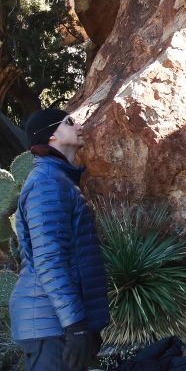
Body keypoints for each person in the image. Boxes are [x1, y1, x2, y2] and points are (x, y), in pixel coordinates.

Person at [9, 109, 109, 371]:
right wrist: (74, 326)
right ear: (51, 136)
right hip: (50, 325)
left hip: (59, 322)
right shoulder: (46, 183)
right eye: (69, 122)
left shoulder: (60, 178)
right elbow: (50, 259)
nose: (78, 126)